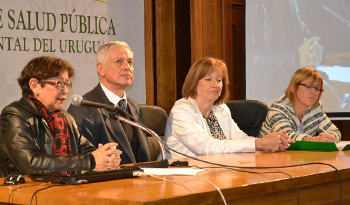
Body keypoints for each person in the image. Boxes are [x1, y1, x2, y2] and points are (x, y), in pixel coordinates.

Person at [0, 56, 122, 177]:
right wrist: (91, 161)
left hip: (63, 191)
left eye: (67, 84)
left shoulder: (65, 118)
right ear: (34, 85)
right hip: (24, 194)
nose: (65, 91)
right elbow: (31, 164)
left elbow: (88, 152)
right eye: (59, 84)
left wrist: (107, 157)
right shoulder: (14, 115)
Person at [164, 57, 294, 159]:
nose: (216, 85)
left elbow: (240, 139)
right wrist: (259, 144)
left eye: (219, 80)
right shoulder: (181, 111)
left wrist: (270, 142)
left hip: (216, 172)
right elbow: (207, 147)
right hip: (183, 178)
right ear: (193, 84)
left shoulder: (221, 109)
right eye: (208, 79)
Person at [68, 41, 151, 165]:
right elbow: (80, 161)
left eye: (130, 62)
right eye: (119, 62)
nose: (127, 67)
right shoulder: (83, 108)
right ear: (101, 69)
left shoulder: (134, 107)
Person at [259, 67, 341, 142]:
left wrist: (329, 138)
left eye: (317, 88)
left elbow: (335, 132)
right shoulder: (278, 108)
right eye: (308, 86)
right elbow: (286, 137)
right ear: (293, 88)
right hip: (269, 156)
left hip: (301, 157)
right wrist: (312, 140)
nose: (313, 92)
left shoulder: (315, 107)